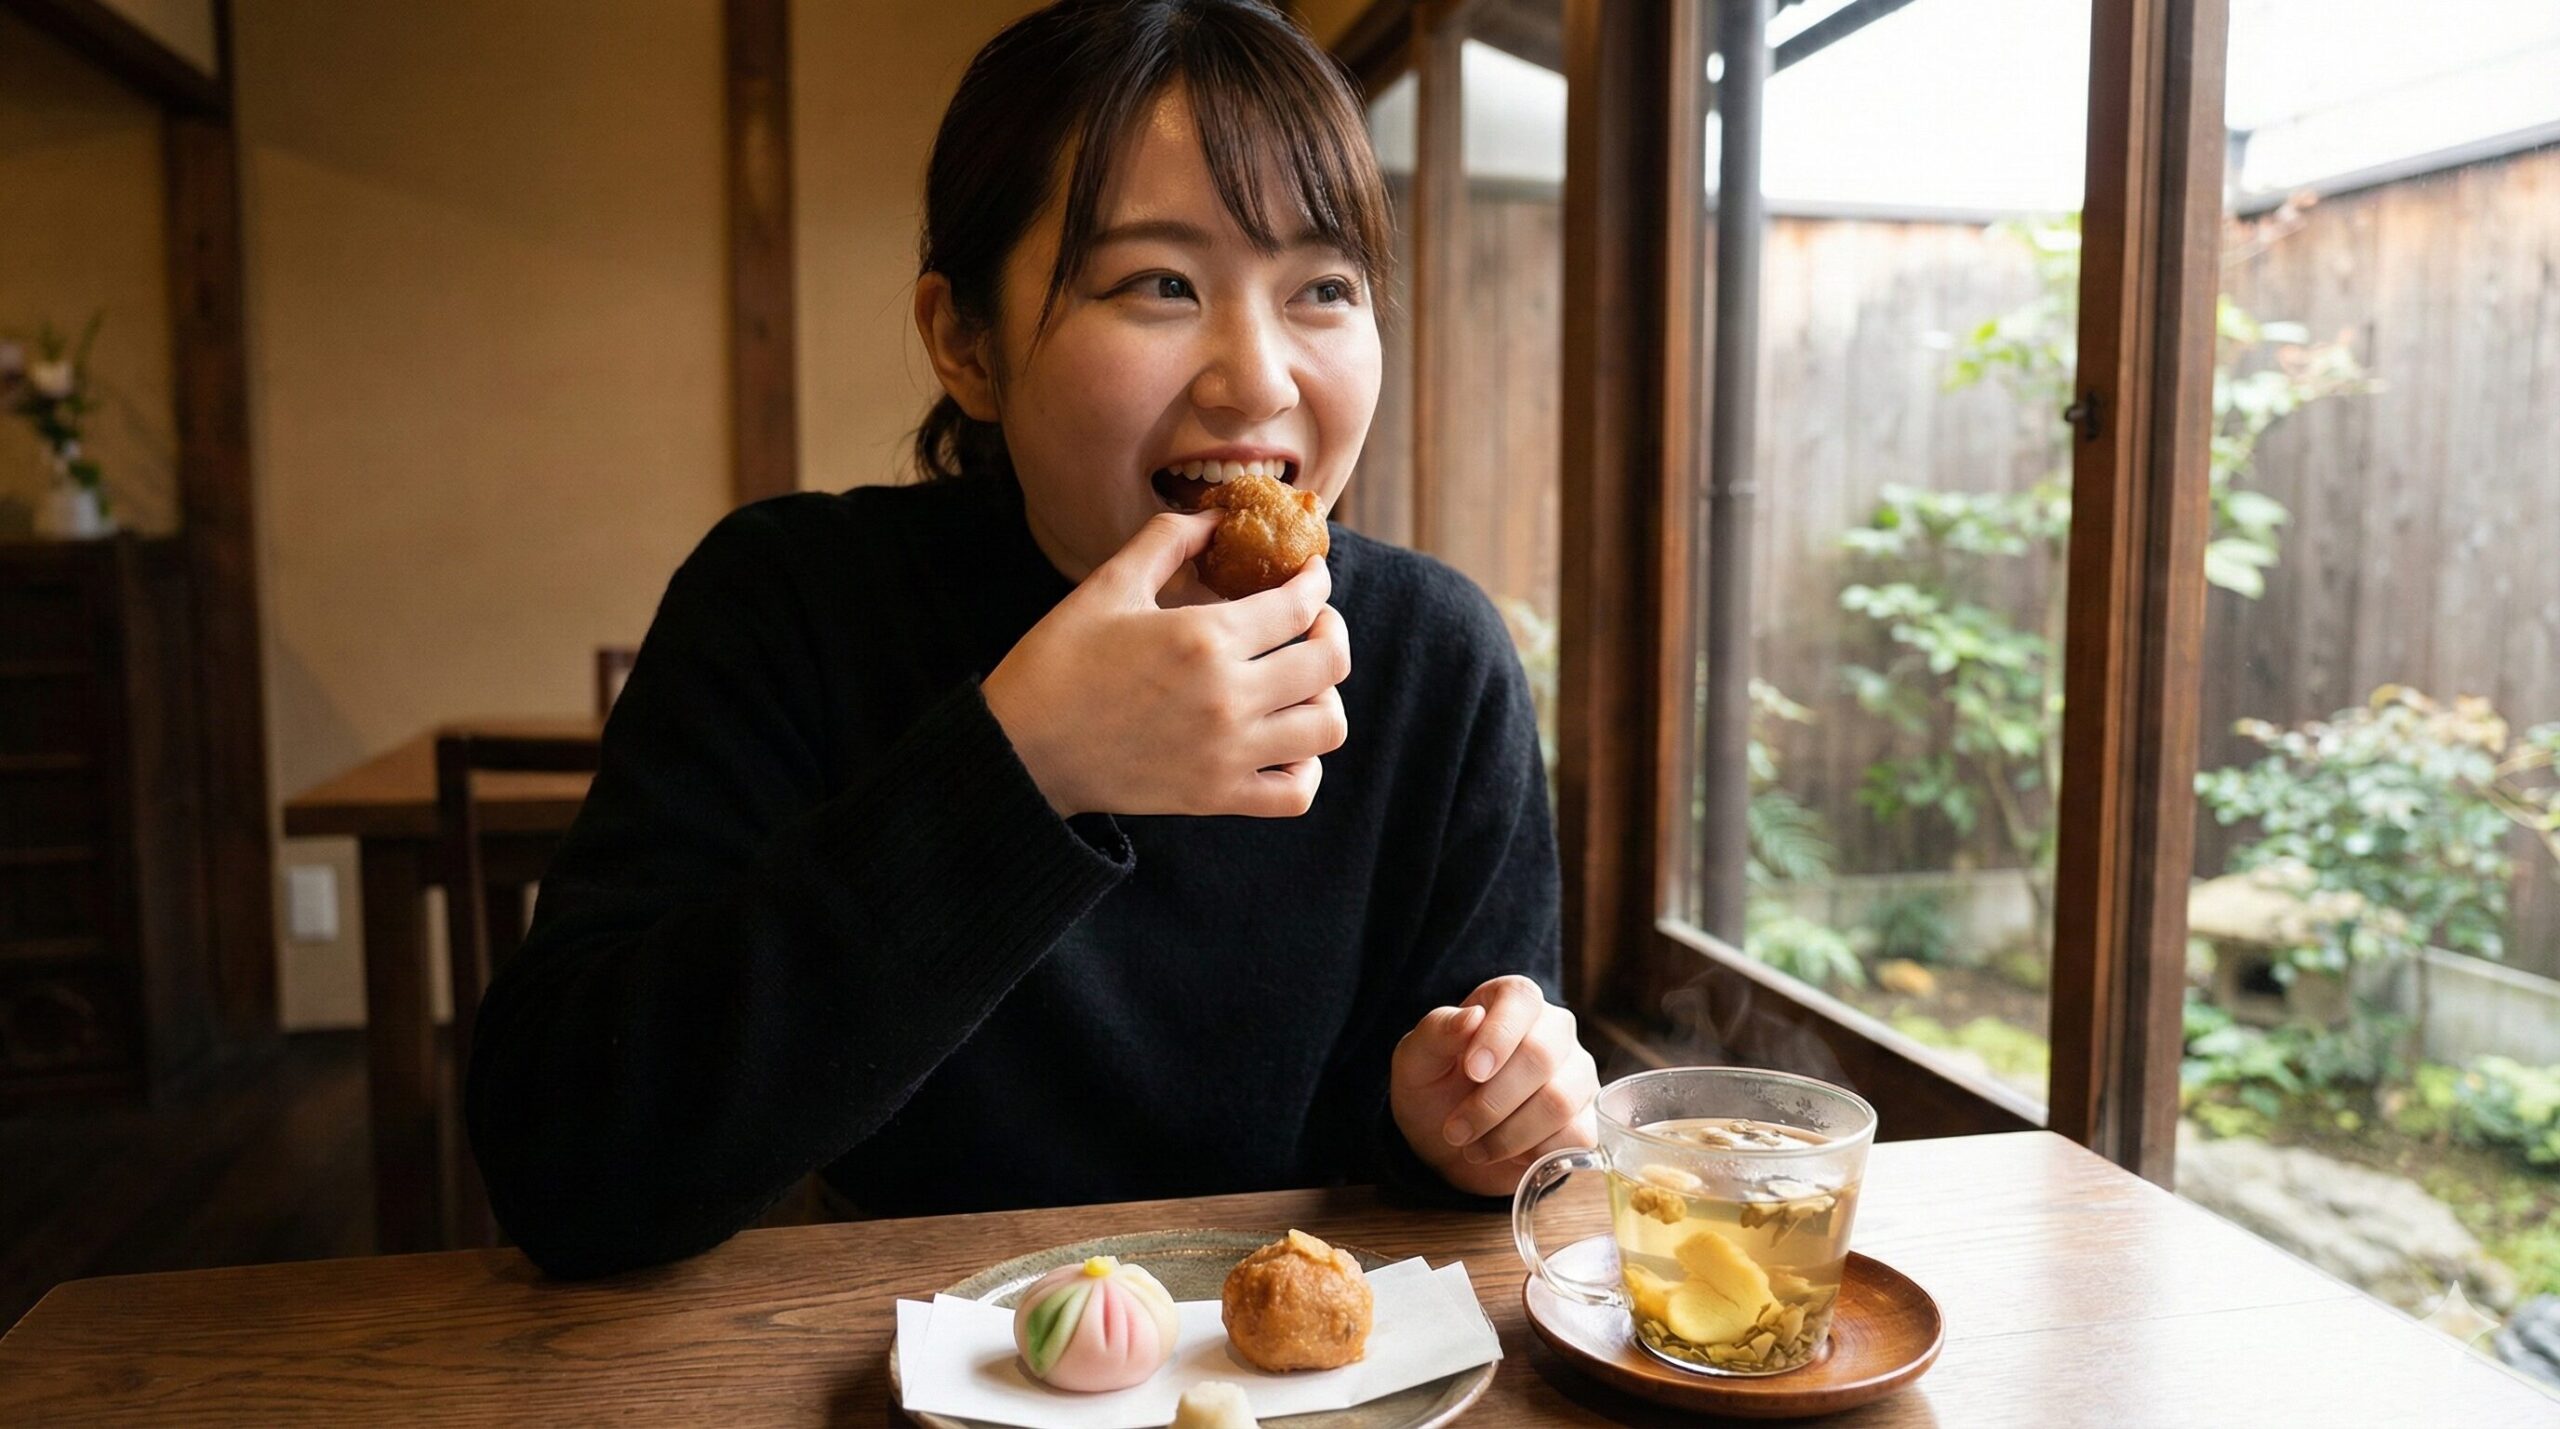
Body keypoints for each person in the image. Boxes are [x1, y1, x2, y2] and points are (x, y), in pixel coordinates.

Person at [466, 0, 1599, 1280]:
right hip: (902, 1348)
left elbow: (1472, 1187)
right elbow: (566, 1163)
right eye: (1159, 282)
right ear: (966, 342)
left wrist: (1472, 1123)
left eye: (1323, 288)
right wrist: (1020, 767)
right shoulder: (793, 601)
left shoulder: (1433, 661)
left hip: (1307, 1376)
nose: (1261, 378)